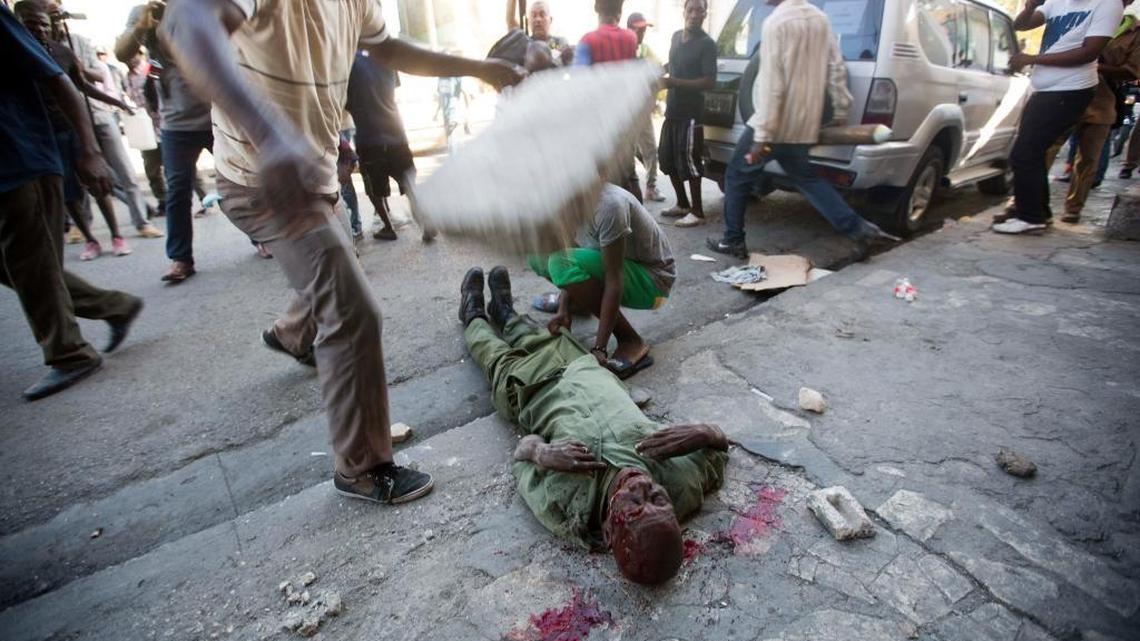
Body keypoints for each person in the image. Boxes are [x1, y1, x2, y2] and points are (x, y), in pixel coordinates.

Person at [160, 0, 524, 505]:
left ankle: (292, 334)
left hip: (314, 175)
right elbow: (186, 22)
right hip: (263, 177)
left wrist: (477, 67)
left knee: (334, 278)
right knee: (353, 313)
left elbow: (389, 46)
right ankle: (362, 466)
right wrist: (271, 138)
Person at [458, 265, 728, 585]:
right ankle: (503, 310)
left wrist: (542, 453)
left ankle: (472, 312)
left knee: (490, 350)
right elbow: (720, 452)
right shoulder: (682, 483)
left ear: (610, 531)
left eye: (635, 505)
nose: (644, 488)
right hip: (581, 366)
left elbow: (522, 453)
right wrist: (707, 432)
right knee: (533, 331)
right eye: (658, 499)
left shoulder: (571, 503)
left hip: (529, 387)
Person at [1, 4, 144, 401]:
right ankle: (114, 305)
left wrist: (89, 150)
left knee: (30, 262)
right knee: (24, 266)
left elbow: (63, 82)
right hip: (15, 165)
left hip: (18, 160)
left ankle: (69, 352)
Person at [706, 0, 897, 260]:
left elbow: (774, 85)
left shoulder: (776, 23)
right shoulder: (819, 19)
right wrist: (841, 109)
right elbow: (836, 67)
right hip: (805, 124)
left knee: (737, 175)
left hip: (775, 124)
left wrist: (761, 138)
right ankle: (859, 229)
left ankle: (733, 241)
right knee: (807, 178)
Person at [14, 1, 138, 260]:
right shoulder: (14, 56)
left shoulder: (62, 52)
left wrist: (117, 102)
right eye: (31, 24)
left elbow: (82, 88)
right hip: (44, 135)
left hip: (72, 129)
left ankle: (116, 235)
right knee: (68, 191)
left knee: (99, 184)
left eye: (43, 25)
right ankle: (91, 240)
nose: (38, 29)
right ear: (18, 24)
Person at [993, 0, 1123, 234]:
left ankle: (1031, 217)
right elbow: (1021, 26)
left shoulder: (1107, 4)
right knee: (1031, 152)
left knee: (1025, 153)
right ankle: (1038, 213)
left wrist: (1033, 59)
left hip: (1071, 89)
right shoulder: (1057, 2)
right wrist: (1030, 6)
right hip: (1045, 89)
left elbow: (1088, 52)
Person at [529, 184, 674, 379]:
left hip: (654, 283)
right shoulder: (563, 200)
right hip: (616, 268)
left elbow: (615, 279)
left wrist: (600, 347)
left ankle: (630, 340)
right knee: (538, 257)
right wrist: (563, 309)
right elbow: (569, 252)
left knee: (559, 263)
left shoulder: (610, 205)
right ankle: (580, 304)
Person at [117, 1, 217, 283]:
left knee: (240, 181)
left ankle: (259, 238)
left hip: (217, 115)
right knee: (177, 193)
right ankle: (180, 258)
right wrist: (141, 26)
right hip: (176, 124)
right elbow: (122, 52)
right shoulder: (145, 13)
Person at [1057, 2, 1140, 223]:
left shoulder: (1134, 32)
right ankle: (1028, 204)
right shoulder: (1084, 16)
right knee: (1045, 146)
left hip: (1102, 100)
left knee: (1088, 158)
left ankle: (1073, 208)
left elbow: (1131, 70)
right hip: (1066, 92)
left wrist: (1094, 64)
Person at [345, 50, 419, 242]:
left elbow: (343, 102)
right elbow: (394, 85)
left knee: (374, 189)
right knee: (410, 184)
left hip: (369, 137)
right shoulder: (386, 56)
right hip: (397, 133)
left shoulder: (346, 62)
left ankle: (388, 227)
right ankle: (426, 224)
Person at [575, 0, 643, 202]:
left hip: (598, 126)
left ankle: (609, 229)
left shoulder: (588, 40)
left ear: (596, 9)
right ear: (620, 12)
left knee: (602, 184)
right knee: (629, 177)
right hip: (623, 122)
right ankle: (639, 223)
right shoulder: (631, 38)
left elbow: (578, 85)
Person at [658, 0, 717, 227]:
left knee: (690, 162)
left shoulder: (707, 44)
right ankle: (682, 203)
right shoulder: (675, 37)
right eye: (690, 9)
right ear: (683, 11)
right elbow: (672, 63)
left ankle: (698, 211)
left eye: (699, 10)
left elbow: (709, 81)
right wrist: (659, 71)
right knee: (668, 158)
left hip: (691, 114)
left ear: (705, 14)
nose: (694, 14)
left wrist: (675, 82)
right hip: (672, 110)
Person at [629, 12, 665, 203]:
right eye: (639, 29)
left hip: (642, 110)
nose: (642, 32)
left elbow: (658, 71)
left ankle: (651, 187)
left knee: (650, 148)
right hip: (626, 112)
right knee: (626, 153)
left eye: (643, 29)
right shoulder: (622, 47)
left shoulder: (645, 50)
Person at [505, 0, 571, 65]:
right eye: (534, 16)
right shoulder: (525, 43)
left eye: (542, 15)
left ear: (550, 20)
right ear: (528, 21)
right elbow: (511, 20)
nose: (538, 19)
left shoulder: (559, 42)